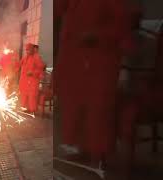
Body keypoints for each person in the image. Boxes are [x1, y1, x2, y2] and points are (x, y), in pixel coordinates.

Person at [55, 0, 134, 167]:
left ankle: (100, 153)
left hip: (101, 59)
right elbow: (61, 11)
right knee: (76, 106)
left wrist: (98, 36)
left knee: (98, 107)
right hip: (76, 59)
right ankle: (84, 148)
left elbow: (122, 23)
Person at [19, 43, 45, 113]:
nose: (27, 51)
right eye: (26, 50)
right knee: (25, 94)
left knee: (32, 95)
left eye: (28, 50)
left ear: (32, 49)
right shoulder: (25, 57)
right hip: (25, 81)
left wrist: (33, 72)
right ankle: (26, 108)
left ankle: (32, 110)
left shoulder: (36, 57)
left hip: (33, 80)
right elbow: (20, 64)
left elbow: (41, 68)